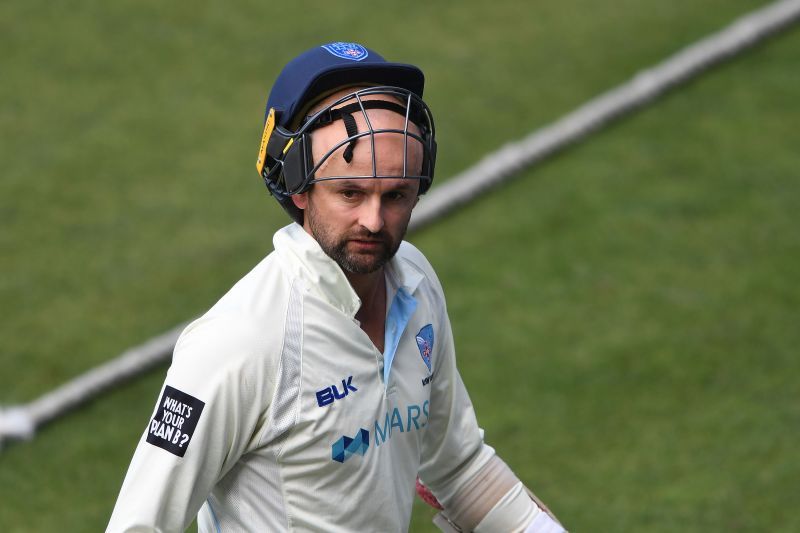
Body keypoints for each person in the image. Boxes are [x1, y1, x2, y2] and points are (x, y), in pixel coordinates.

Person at [107, 41, 566, 533]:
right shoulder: (239, 341)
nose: (374, 220)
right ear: (299, 187)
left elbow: (457, 468)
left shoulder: (417, 286)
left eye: (396, 195)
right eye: (350, 192)